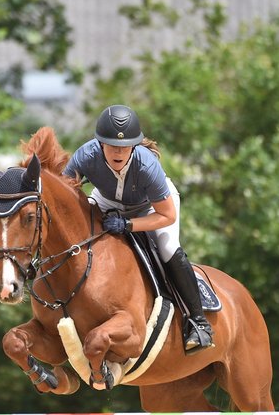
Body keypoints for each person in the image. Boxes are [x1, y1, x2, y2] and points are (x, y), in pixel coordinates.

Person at [64, 104, 214, 352]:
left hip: (152, 208)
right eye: (112, 145)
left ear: (134, 145)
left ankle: (198, 323)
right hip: (107, 200)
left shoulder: (146, 166)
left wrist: (128, 225)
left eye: (124, 146)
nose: (119, 152)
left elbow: (166, 215)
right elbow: (67, 197)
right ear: (99, 143)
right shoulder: (85, 157)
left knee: (167, 248)